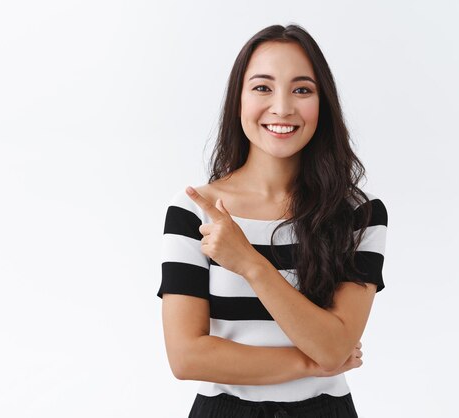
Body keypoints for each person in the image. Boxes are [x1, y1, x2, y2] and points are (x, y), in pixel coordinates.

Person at [156, 23, 388, 418]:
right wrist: (308, 364)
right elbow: (187, 357)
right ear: (239, 100)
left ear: (323, 103)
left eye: (302, 89)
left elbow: (334, 346)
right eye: (262, 87)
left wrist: (249, 263)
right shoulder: (195, 209)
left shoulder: (358, 214)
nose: (282, 107)